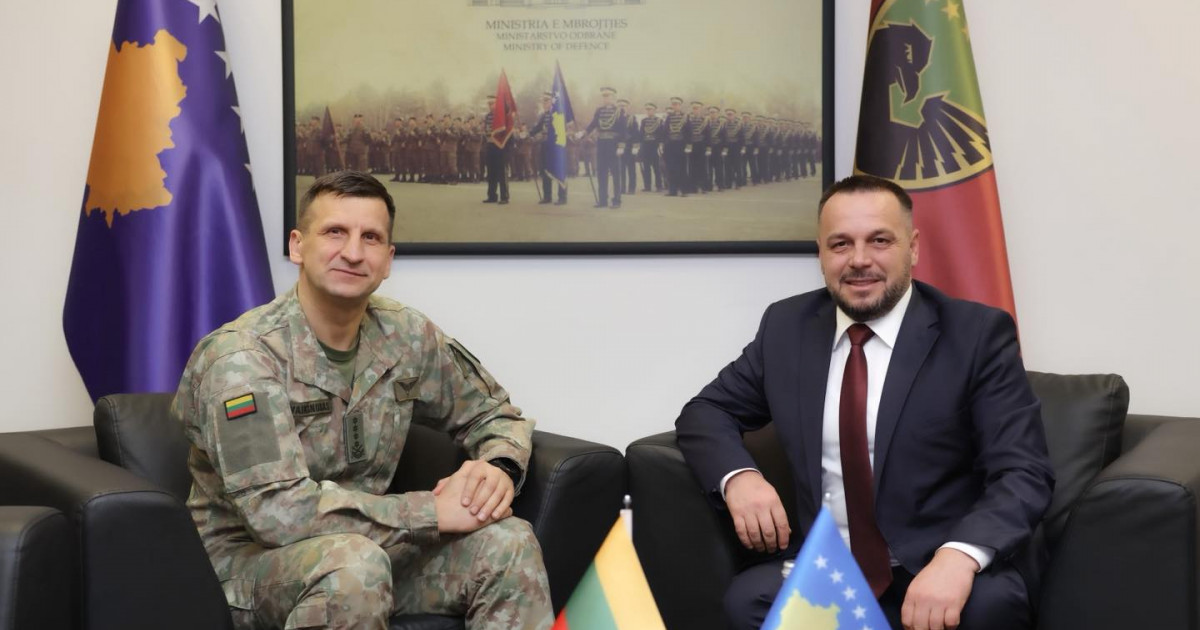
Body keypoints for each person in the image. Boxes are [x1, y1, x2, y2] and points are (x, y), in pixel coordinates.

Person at [173, 171, 554, 630]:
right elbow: (278, 514)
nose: (353, 252)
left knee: (510, 541)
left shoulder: (405, 334)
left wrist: (499, 468)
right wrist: (431, 512)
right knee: (355, 566)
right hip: (245, 570)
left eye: (370, 238)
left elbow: (494, 413)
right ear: (298, 246)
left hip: (369, 553)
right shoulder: (241, 358)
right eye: (335, 232)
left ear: (388, 259)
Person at [675, 174, 1054, 630]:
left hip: (939, 559)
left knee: (989, 606)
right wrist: (740, 478)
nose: (859, 260)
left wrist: (958, 558)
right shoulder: (788, 327)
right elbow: (706, 411)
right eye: (841, 244)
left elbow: (1023, 471)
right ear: (820, 253)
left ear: (913, 248)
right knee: (747, 601)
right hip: (830, 565)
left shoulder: (976, 335)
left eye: (879, 240)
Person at [582, 86, 626, 208]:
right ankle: (602, 200)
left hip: (613, 144)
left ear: (613, 97)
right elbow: (593, 124)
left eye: (608, 96)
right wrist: (584, 132)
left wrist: (621, 146)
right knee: (601, 172)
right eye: (604, 96)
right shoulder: (599, 111)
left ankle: (617, 200)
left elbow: (623, 130)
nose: (606, 98)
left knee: (615, 173)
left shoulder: (619, 111)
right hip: (601, 143)